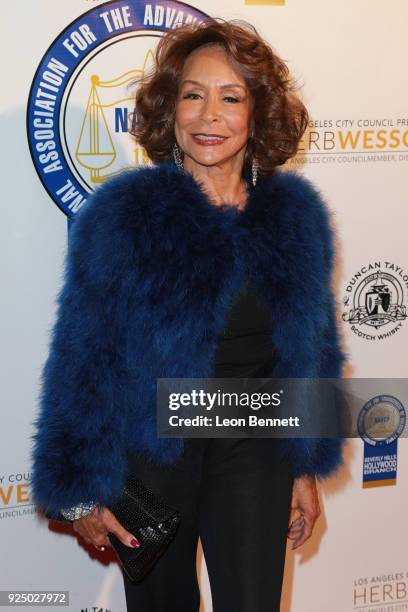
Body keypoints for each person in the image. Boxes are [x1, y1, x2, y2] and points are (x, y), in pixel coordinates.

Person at [30, 17, 347, 612]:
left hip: (254, 447)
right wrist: (79, 487)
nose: (209, 116)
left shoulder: (295, 217)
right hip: (149, 457)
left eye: (231, 97)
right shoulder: (125, 215)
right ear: (169, 110)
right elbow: (83, 354)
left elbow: (314, 351)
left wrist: (305, 465)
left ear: (257, 114)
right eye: (192, 95)